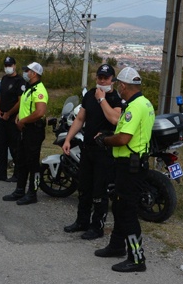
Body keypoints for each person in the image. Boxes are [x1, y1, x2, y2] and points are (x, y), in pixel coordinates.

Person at [93, 66, 155, 273]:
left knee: (127, 211)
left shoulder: (135, 106)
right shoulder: (145, 103)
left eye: (120, 84)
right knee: (119, 206)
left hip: (130, 165)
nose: (119, 87)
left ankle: (137, 258)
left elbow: (123, 138)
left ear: (124, 85)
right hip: (133, 163)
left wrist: (105, 140)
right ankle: (117, 245)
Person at [62, 64, 123, 240]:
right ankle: (82, 221)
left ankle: (97, 227)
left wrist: (102, 100)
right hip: (87, 148)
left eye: (106, 78)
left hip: (104, 151)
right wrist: (68, 139)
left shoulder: (115, 98)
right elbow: (80, 118)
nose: (102, 81)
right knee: (84, 188)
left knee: (99, 191)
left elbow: (114, 119)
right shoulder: (90, 94)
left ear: (112, 80)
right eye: (99, 77)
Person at [2, 62, 48, 205]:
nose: (25, 73)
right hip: (24, 130)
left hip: (33, 130)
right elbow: (25, 107)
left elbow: (39, 112)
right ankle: (19, 190)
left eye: (27, 71)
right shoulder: (29, 89)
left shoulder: (39, 90)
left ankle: (32, 193)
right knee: (21, 161)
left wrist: (23, 121)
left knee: (32, 164)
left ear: (34, 73)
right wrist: (19, 117)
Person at [0, 56, 26, 182]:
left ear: (15, 66)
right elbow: (1, 95)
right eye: (6, 65)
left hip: (12, 118)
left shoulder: (19, 81)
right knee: (0, 145)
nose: (8, 68)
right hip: (2, 117)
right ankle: (1, 172)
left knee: (14, 147)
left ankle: (17, 174)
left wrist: (9, 113)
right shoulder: (4, 79)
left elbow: (20, 101)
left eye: (10, 65)